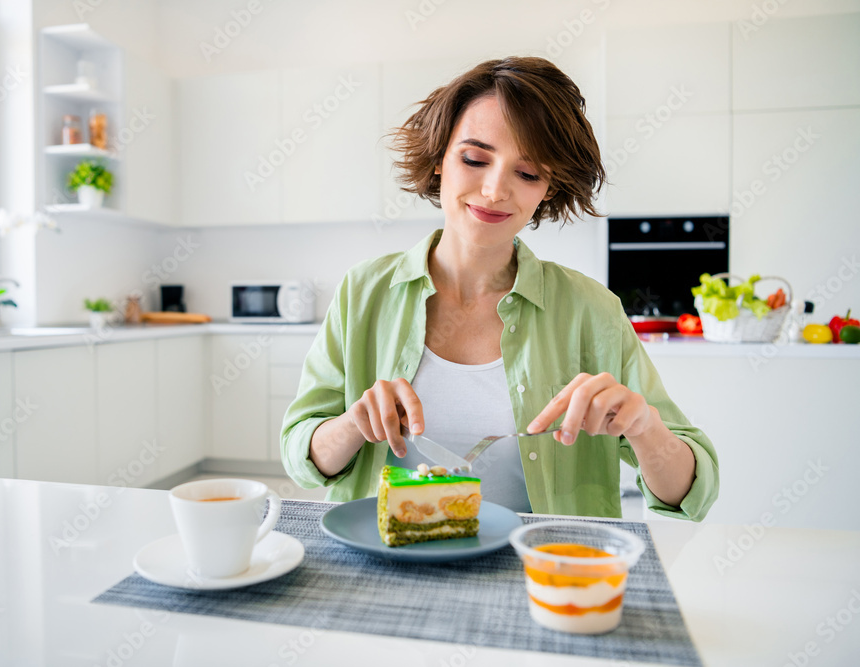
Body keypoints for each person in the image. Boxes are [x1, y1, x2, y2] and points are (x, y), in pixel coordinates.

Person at [280, 56, 718, 520]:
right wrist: (352, 424)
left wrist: (645, 426)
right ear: (438, 161)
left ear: (547, 189)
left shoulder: (590, 310)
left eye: (527, 174)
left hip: (542, 573)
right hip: (387, 568)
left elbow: (692, 492)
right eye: (474, 158)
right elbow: (301, 458)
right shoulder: (364, 291)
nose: (494, 190)